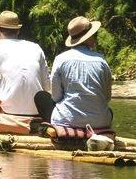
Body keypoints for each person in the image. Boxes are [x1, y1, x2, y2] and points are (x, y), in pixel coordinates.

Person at [45, 16, 115, 148]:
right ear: (89, 37)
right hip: (100, 121)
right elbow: (106, 98)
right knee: (110, 112)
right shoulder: (102, 61)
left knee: (42, 99)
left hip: (68, 120)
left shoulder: (61, 59)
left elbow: (56, 97)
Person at [0, 10, 49, 133]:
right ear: (18, 31)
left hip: (9, 111)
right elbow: (47, 85)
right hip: (38, 110)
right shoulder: (36, 47)